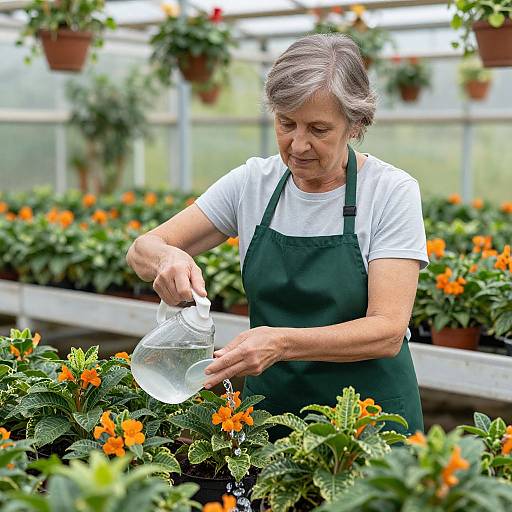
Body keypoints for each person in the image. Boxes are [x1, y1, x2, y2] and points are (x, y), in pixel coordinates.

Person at [126, 33, 428, 436]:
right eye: (286, 123)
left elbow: (387, 330)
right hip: (271, 419)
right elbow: (142, 248)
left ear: (355, 125)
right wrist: (167, 257)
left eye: (318, 129)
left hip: (369, 425)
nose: (298, 144)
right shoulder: (254, 182)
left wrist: (280, 343)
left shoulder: (390, 191)